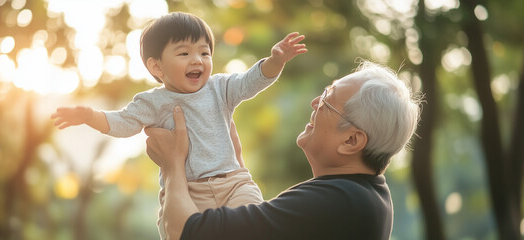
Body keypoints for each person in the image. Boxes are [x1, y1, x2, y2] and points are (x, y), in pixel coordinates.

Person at [49, 12, 307, 239]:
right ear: (156, 66)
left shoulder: (220, 88)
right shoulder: (152, 102)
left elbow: (251, 81)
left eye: (204, 52)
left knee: (252, 224)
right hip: (189, 190)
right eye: (184, 53)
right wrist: (90, 116)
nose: (197, 60)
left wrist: (276, 61)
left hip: (233, 183)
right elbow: (124, 123)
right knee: (180, 232)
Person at [145, 60, 421, 240]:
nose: (316, 101)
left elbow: (185, 231)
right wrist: (236, 173)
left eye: (328, 100)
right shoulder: (361, 196)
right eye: (325, 90)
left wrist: (173, 166)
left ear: (351, 141)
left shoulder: (337, 201)